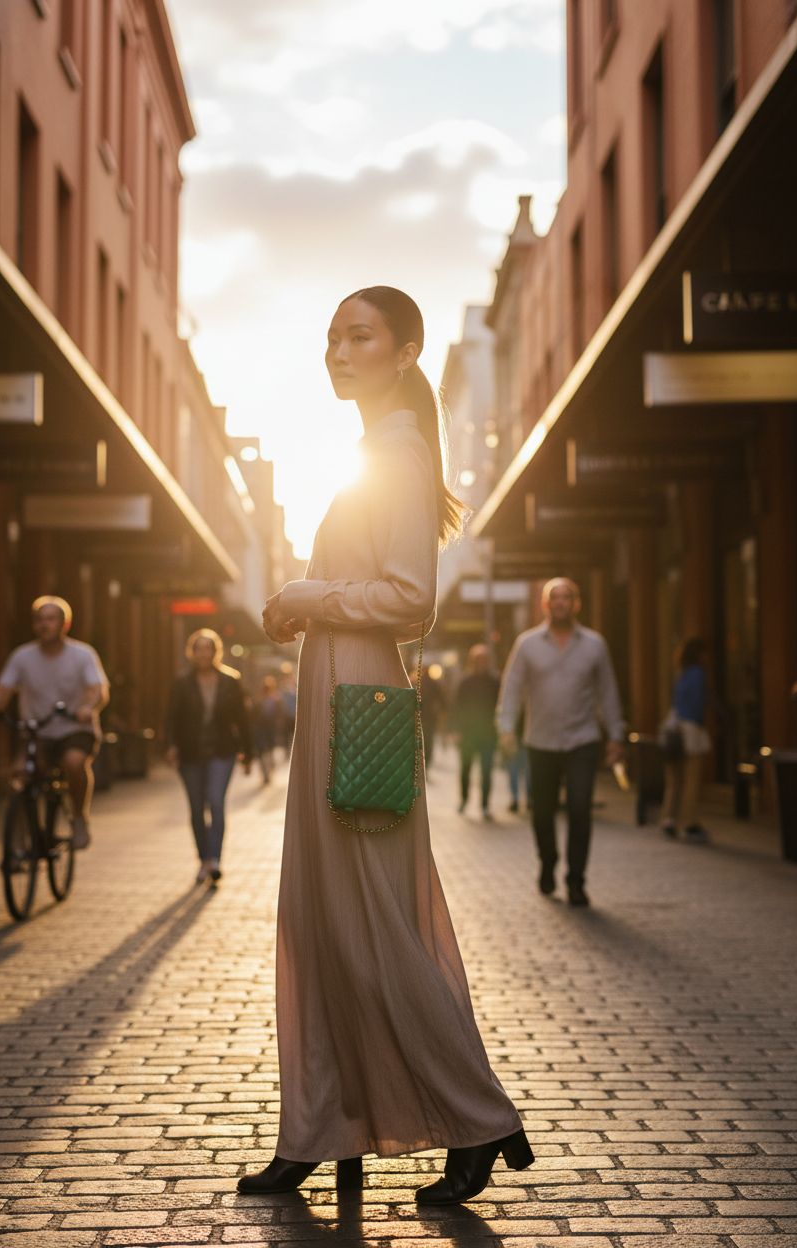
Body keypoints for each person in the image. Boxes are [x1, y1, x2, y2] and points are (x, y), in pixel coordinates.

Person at [247, 286, 533, 1205]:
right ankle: (320, 1125)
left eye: (357, 335)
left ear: (404, 352)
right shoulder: (372, 453)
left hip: (360, 713)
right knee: (323, 922)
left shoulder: (399, 456)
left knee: (376, 933)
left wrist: (308, 596)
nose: (337, 350)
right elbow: (365, 591)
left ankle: (480, 1118)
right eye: (330, 335)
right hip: (338, 697)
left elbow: (412, 598)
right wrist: (303, 610)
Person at [497, 578, 624, 907]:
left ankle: (577, 880)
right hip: (540, 741)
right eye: (555, 598)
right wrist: (506, 728)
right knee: (542, 812)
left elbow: (608, 692)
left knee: (580, 809)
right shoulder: (527, 644)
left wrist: (616, 736)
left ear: (576, 603)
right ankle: (549, 861)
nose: (561, 603)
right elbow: (512, 688)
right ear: (545, 604)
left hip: (583, 740)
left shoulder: (595, 644)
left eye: (568, 597)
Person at [0, 596, 109, 848]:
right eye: (39, 620)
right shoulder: (22, 656)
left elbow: (97, 689)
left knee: (73, 762)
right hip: (37, 731)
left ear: (64, 624)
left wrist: (87, 708)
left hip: (74, 728)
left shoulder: (82, 655)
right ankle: (18, 838)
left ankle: (79, 818)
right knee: (21, 775)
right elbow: (3, 688)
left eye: (50, 619)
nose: (44, 625)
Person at [166, 629, 253, 884]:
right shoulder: (182, 683)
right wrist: (171, 745)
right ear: (192, 653)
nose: (204, 653)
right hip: (190, 753)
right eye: (199, 648)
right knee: (196, 808)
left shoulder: (230, 681)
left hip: (221, 752)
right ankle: (203, 860)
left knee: (215, 802)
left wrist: (248, 754)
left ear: (216, 652)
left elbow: (242, 720)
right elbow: (171, 717)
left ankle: (215, 859)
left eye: (208, 648)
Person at [659, 638, 710, 843]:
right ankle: (689, 823)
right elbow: (697, 705)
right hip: (690, 731)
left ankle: (668, 819)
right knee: (691, 780)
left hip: (673, 729)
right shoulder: (698, 674)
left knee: (673, 780)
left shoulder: (681, 674)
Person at [449, 644, 500, 820]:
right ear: (473, 662)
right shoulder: (465, 682)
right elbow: (457, 707)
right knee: (465, 769)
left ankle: (485, 805)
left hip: (488, 734)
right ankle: (464, 800)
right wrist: (455, 729)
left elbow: (499, 707)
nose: (482, 664)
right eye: (479, 660)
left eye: (485, 660)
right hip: (468, 734)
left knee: (486, 771)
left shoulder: (495, 682)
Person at [252, 675, 286, 783]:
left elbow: (280, 715)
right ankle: (266, 772)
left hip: (268, 730)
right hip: (263, 730)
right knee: (265, 751)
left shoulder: (275, 700)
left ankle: (268, 771)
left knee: (266, 751)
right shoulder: (262, 701)